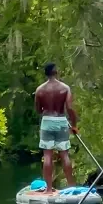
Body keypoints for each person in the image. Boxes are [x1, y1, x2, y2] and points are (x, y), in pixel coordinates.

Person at [35, 63, 78, 192]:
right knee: (64, 154)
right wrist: (74, 125)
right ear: (56, 72)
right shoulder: (65, 88)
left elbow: (38, 110)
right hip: (61, 121)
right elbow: (69, 108)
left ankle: (48, 189)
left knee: (47, 155)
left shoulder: (39, 90)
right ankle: (71, 187)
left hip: (47, 121)